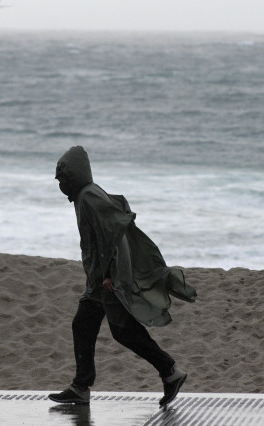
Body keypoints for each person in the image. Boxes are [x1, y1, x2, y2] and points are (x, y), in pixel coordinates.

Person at [48, 146, 197, 407]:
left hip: (107, 281)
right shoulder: (84, 195)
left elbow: (114, 232)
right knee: (83, 325)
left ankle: (170, 371)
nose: (60, 183)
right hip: (96, 281)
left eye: (62, 178)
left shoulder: (89, 197)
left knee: (124, 332)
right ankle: (81, 386)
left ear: (74, 175)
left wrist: (110, 275)